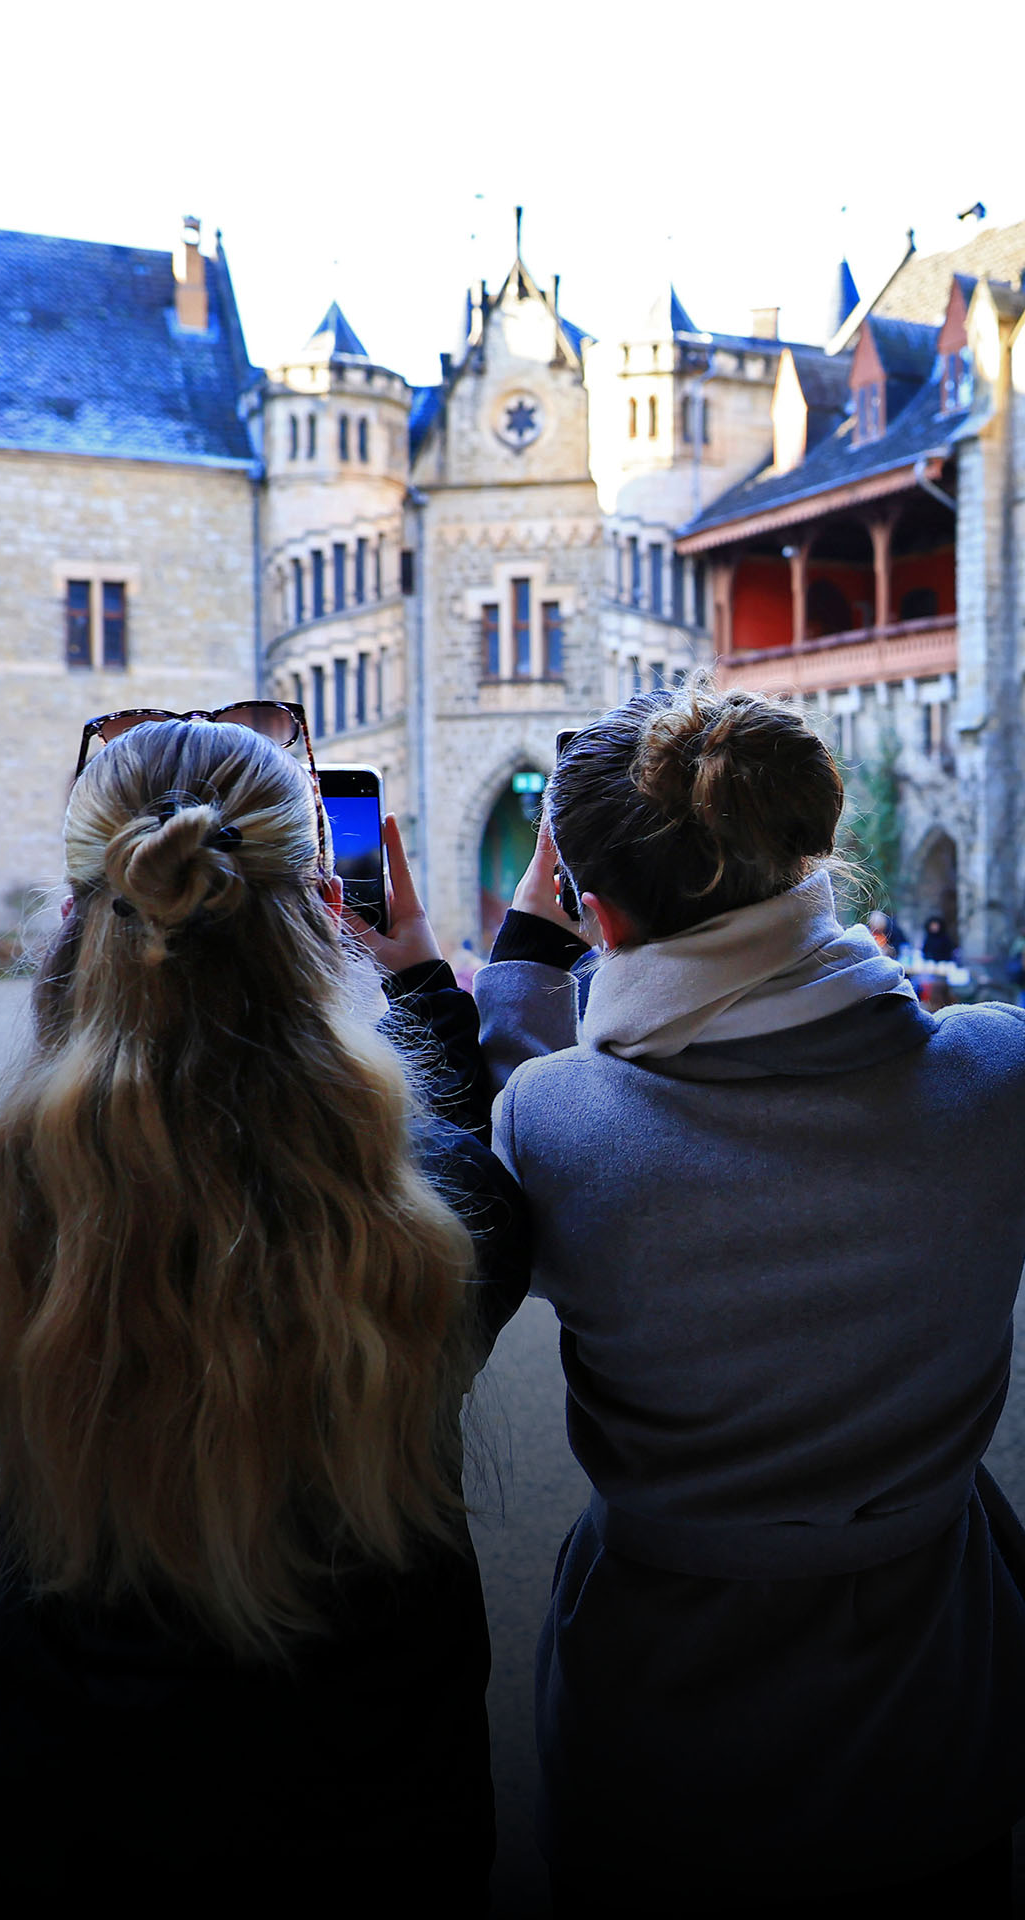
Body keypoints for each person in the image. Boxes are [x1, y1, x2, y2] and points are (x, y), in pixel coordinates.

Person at [0, 705, 527, 1915]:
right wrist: (420, 975)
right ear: (323, 906)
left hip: (79, 1808)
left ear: (87, 908)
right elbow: (463, 1169)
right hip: (382, 1804)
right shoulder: (442, 1198)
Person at [473, 674, 1025, 1916]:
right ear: (806, 852)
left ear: (598, 917)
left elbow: (540, 1145)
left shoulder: (554, 1127)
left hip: (661, 1721)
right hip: (939, 1701)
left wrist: (522, 971)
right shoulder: (997, 1078)